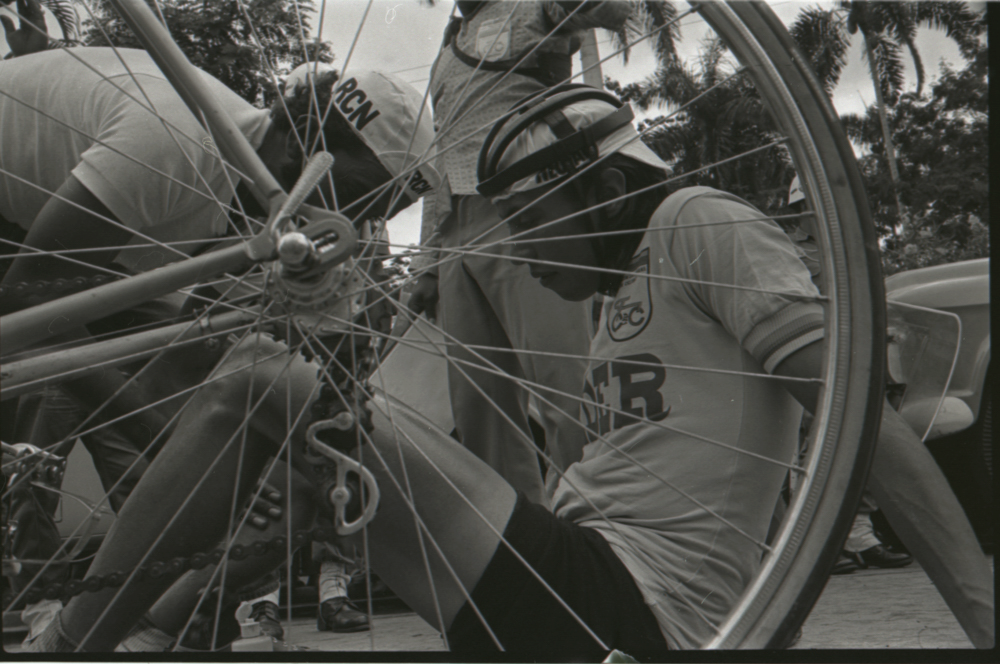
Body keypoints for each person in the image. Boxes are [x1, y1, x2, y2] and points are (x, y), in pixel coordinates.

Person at [29, 87, 993, 655]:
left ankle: (64, 649)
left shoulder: (704, 223)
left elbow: (857, 415)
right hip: (577, 575)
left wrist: (982, 615)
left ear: (610, 188)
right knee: (300, 452)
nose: (513, 248)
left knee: (258, 378)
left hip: (635, 611)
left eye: (531, 217)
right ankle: (134, 634)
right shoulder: (615, 298)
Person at [3, 49, 436, 651]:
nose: (349, 226)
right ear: (301, 144)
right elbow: (25, 304)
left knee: (219, 420)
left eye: (377, 214)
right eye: (355, 198)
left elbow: (182, 361)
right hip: (20, 237)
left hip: (67, 243)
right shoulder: (175, 145)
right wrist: (165, 437)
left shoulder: (247, 208)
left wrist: (227, 466)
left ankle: (142, 624)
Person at [405, 0, 631, 504]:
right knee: (477, 407)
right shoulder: (449, 40)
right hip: (454, 231)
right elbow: (441, 154)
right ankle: (522, 545)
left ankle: (599, 520)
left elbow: (614, 9)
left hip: (524, 212)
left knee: (564, 388)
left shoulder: (531, 7)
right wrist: (427, 260)